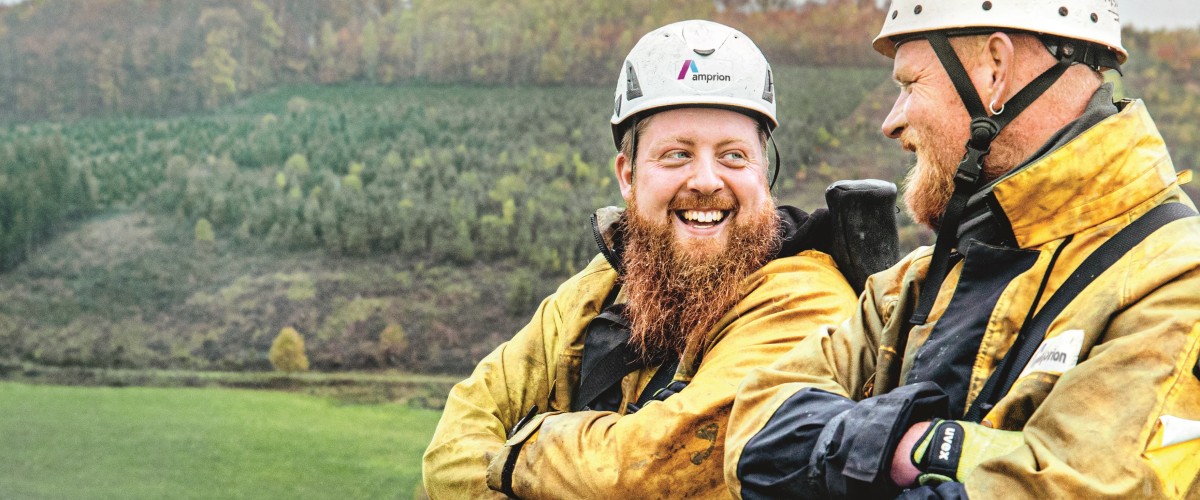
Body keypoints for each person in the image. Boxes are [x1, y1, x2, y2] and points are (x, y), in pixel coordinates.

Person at [725, 0, 1200, 498]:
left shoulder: (1176, 283)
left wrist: (862, 453)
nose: (891, 122)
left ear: (994, 70)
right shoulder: (912, 285)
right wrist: (919, 449)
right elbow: (754, 428)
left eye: (910, 84)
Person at [422, 20, 858, 498]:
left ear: (764, 172)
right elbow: (454, 443)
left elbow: (652, 470)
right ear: (627, 176)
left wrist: (521, 451)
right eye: (676, 155)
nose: (706, 180)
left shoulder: (805, 302)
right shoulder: (605, 286)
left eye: (734, 156)